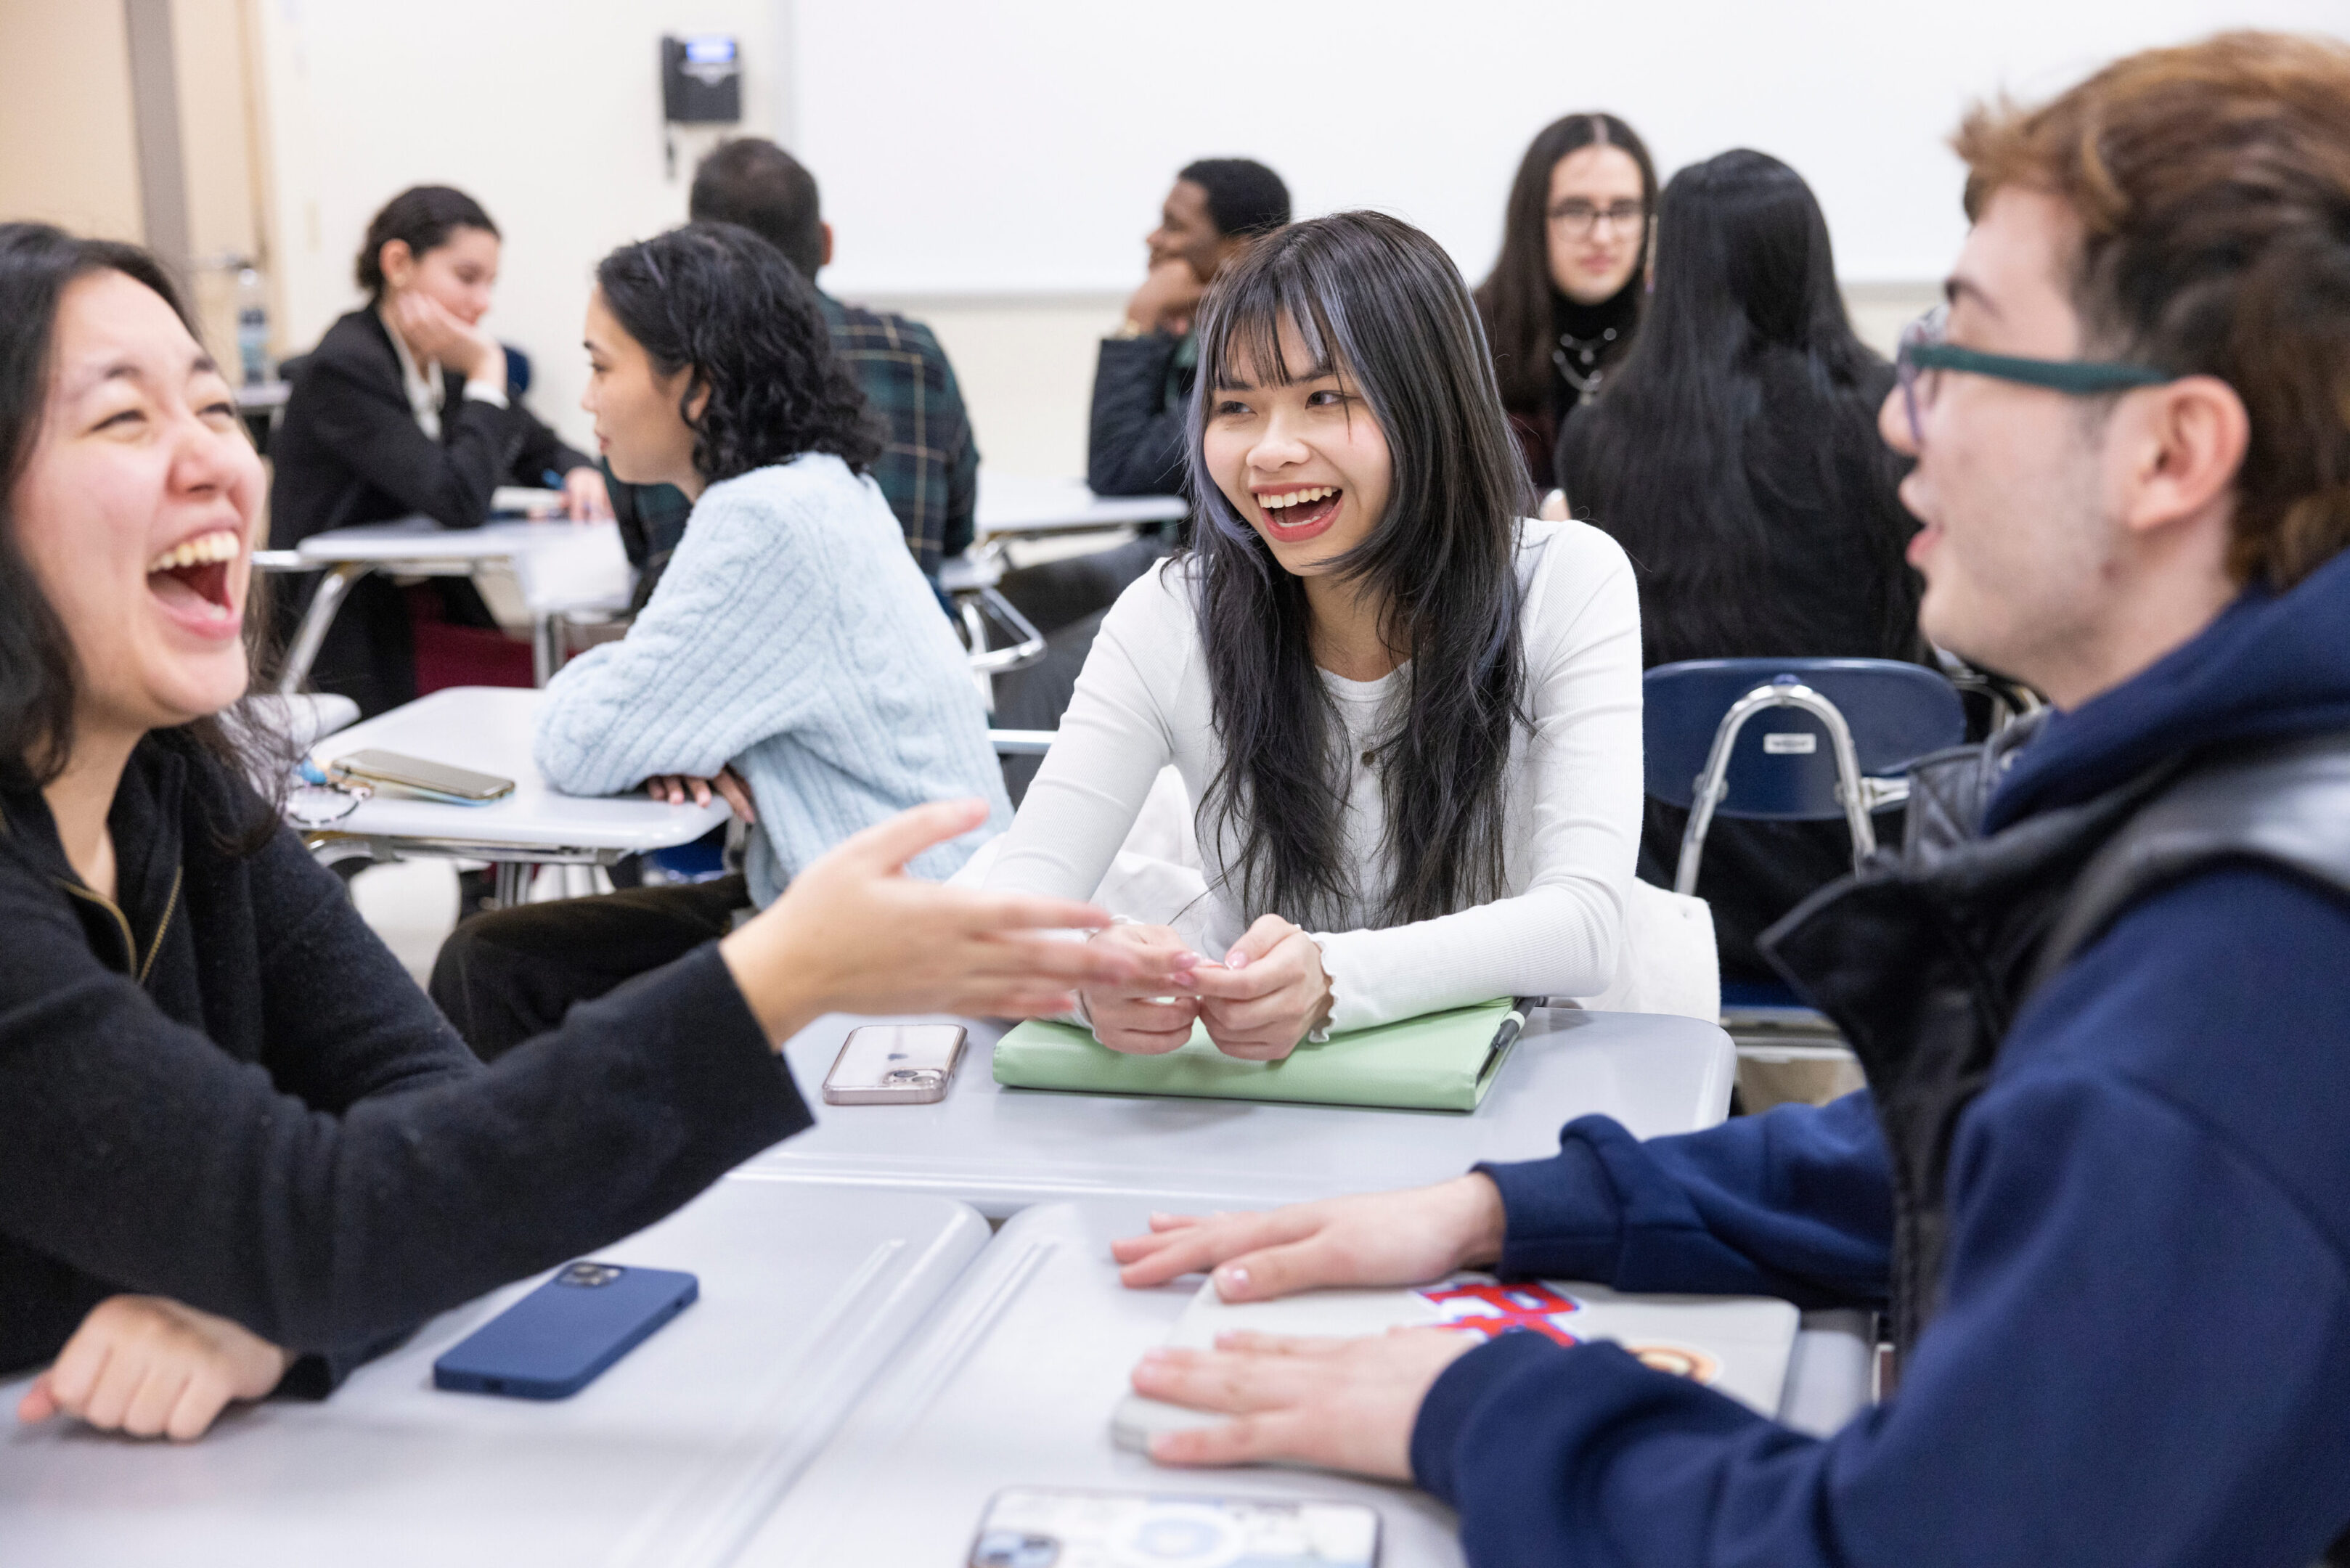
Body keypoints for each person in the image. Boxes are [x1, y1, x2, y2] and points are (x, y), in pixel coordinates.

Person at [1109, 30, 2350, 1567]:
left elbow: (1890, 1544)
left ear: (2171, 449)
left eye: (1956, 354)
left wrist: (1472, 1401)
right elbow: (1944, 1156)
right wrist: (1497, 1212)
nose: (1900, 414)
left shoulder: (2243, 979)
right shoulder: (2205, 809)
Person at [0, 223, 1145, 1441]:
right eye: (123, 420)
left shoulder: (187, 793)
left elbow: (415, 1127)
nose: (213, 461)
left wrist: (277, 1315)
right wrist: (776, 977)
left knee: (500, 973)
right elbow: (334, 1216)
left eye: (220, 408)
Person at [986, 211, 1642, 1055]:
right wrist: (1087, 984)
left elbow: (1583, 925)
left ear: (1431, 403)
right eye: (1236, 407)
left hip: (1510, 1090)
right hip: (1257, 1109)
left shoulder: (1567, 580)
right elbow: (1012, 917)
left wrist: (1332, 978)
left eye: (1324, 398)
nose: (1271, 451)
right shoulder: (1171, 612)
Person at [428, 223, 1011, 1061]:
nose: (585, 398)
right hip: (898, 906)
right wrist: (681, 726)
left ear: (696, 388)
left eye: (601, 365)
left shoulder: (760, 521)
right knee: (499, 960)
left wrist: (659, 715)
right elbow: (643, 708)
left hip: (887, 949)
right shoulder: (825, 485)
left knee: (490, 966)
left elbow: (582, 741)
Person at [1555, 148, 1923, 983]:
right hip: (1868, 871)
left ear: (1668, 267)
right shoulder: (1892, 418)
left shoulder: (1602, 435)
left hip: (1676, 881)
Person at [269, 186, 610, 715]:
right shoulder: (346, 368)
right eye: (467, 278)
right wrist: (486, 368)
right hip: (349, 630)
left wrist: (578, 472)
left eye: (490, 283)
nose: (483, 303)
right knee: (568, 689)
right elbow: (457, 499)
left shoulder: (440, 360)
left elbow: (543, 446)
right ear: (398, 263)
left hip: (426, 605)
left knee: (575, 674)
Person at [605, 138, 981, 594]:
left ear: (697, 253)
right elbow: (957, 530)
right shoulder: (915, 354)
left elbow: (638, 545)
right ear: (825, 242)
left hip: (706, 649)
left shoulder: (670, 364)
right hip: (904, 645)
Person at [1088, 158, 1291, 499]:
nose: (1153, 239)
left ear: (1239, 254)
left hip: (1209, 549)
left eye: (1174, 226)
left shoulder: (1259, 353)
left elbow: (1117, 471)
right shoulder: (1188, 328)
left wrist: (1141, 318)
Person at [1474, 113, 1656, 491]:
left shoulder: (1675, 334)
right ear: (1532, 220)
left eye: (1622, 211)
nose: (1603, 236)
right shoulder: (1471, 331)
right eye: (1576, 210)